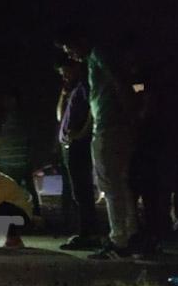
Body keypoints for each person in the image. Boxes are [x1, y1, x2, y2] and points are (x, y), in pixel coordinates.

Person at [56, 28, 139, 259]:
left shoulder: (99, 55)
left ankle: (118, 240)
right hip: (111, 126)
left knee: (110, 183)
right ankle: (130, 234)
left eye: (70, 49)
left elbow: (119, 82)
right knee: (119, 183)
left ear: (81, 40)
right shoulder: (96, 59)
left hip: (110, 127)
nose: (70, 55)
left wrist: (130, 114)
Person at [55, 59, 98, 250]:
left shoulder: (85, 87)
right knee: (76, 190)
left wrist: (81, 133)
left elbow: (92, 112)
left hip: (79, 144)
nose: (64, 76)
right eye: (62, 74)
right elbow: (60, 115)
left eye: (66, 72)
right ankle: (83, 232)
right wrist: (63, 95)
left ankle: (88, 234)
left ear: (76, 68)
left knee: (82, 190)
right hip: (69, 145)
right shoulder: (72, 90)